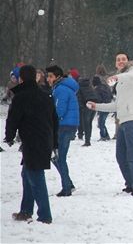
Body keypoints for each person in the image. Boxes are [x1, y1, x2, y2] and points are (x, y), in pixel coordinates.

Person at [86, 52, 133, 196]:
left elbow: (130, 76)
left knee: (132, 153)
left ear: (128, 61)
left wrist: (115, 77)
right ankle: (130, 183)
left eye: (123, 59)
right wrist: (97, 106)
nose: (121, 61)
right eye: (118, 60)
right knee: (120, 155)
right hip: (123, 120)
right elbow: (116, 105)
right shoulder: (120, 82)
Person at [4, 65, 58, 224]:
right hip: (44, 139)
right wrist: (55, 142)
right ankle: (26, 210)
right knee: (27, 174)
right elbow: (54, 120)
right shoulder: (45, 95)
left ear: (21, 78)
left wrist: (9, 136)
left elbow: (13, 119)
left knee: (35, 176)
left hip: (32, 141)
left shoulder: (21, 96)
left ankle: (45, 215)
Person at [46, 65, 79, 197]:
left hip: (64, 126)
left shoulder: (61, 90)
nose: (48, 79)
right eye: (47, 76)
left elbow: (59, 110)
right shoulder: (61, 88)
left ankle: (67, 187)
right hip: (68, 125)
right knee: (56, 157)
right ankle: (68, 184)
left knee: (59, 158)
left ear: (57, 77)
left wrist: (49, 121)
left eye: (50, 76)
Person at [77, 77, 99, 146]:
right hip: (94, 106)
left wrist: (82, 107)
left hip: (86, 107)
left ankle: (87, 141)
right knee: (89, 123)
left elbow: (79, 99)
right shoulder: (90, 87)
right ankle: (88, 138)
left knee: (86, 124)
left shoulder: (80, 88)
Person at [92, 76, 113, 141]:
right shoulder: (105, 86)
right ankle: (106, 135)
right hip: (108, 105)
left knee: (101, 122)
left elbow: (98, 99)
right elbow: (111, 95)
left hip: (102, 106)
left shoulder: (97, 89)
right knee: (102, 122)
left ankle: (103, 136)